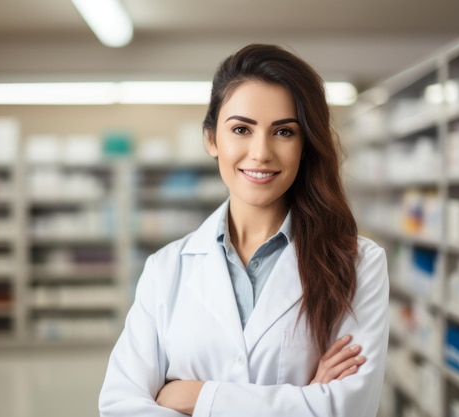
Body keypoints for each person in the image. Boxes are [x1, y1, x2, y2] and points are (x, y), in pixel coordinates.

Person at [99, 43, 389, 417]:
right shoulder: (165, 269)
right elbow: (120, 407)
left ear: (305, 146)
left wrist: (196, 397)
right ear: (211, 140)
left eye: (284, 132)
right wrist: (303, 400)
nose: (261, 152)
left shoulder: (358, 264)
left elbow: (348, 409)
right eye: (241, 129)